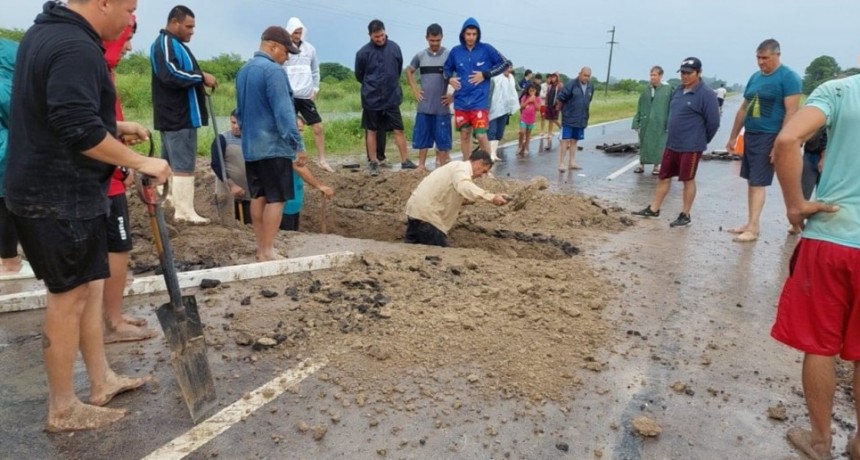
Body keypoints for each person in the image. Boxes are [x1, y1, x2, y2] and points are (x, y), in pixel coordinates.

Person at [6, 0, 170, 432]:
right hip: (57, 194)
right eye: (128, 9)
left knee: (91, 287)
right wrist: (141, 161)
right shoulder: (75, 46)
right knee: (69, 297)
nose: (129, 21)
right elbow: (75, 127)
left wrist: (113, 128)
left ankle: (101, 380)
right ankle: (63, 407)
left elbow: (54, 112)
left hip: (62, 189)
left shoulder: (45, 33)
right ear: (103, 2)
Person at [769, 74, 859, 460]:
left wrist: (795, 204)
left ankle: (820, 442)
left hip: (833, 235)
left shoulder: (841, 90)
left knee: (820, 344)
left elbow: (787, 140)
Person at [102, 15, 157, 343]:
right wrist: (130, 162)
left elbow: (102, 122)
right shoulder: (93, 66)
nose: (130, 46)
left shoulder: (105, 71)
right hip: (105, 178)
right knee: (117, 248)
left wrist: (121, 134)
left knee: (116, 248)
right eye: (126, 38)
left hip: (110, 172)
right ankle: (112, 323)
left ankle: (114, 315)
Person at [236, 26, 306, 261]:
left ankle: (260, 248)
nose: (286, 58)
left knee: (259, 197)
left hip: (251, 146)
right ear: (274, 47)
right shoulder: (273, 71)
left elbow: (239, 112)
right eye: (286, 52)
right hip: (273, 146)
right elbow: (284, 113)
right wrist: (297, 144)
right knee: (277, 198)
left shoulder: (244, 71)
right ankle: (267, 250)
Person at [726, 38, 802, 243]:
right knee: (751, 180)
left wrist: (779, 144)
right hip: (751, 134)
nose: (761, 62)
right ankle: (751, 222)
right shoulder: (755, 77)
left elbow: (791, 112)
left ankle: (753, 228)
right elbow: (744, 108)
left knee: (759, 182)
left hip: (769, 136)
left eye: (765, 58)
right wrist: (733, 136)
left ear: (777, 55)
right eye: (758, 58)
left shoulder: (789, 78)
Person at [631, 57, 720, 228]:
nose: (685, 76)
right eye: (683, 73)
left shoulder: (706, 94)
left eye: (689, 73)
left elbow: (713, 123)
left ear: (699, 73)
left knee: (688, 179)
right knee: (664, 176)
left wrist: (701, 139)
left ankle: (685, 214)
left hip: (691, 146)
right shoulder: (678, 90)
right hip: (672, 143)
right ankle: (654, 209)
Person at [150, 5, 217, 224]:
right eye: (188, 26)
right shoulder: (165, 43)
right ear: (174, 22)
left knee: (170, 163)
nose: (192, 31)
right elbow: (170, 74)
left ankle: (170, 204)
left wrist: (198, 76)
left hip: (176, 116)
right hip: (178, 116)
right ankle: (185, 211)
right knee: (183, 165)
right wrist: (201, 77)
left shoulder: (174, 44)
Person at [404, 150, 508, 247]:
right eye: (484, 171)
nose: (482, 175)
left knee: (412, 250)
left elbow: (450, 195)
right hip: (428, 218)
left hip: (416, 213)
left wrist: (487, 198)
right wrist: (491, 197)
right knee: (442, 254)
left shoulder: (454, 168)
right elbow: (465, 186)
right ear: (479, 162)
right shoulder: (461, 168)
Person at [355, 19, 416, 176]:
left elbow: (398, 69)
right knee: (372, 130)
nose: (380, 39)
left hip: (391, 97)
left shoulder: (395, 48)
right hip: (371, 98)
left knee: (399, 129)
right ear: (370, 35)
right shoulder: (362, 53)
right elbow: (360, 76)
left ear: (384, 31)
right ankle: (373, 162)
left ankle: (405, 161)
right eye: (376, 37)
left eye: (382, 35)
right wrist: (372, 85)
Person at [443, 17, 508, 158]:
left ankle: (487, 165)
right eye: (468, 34)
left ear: (478, 35)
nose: (471, 37)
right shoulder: (455, 51)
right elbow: (446, 69)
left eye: (474, 34)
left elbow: (505, 63)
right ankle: (467, 165)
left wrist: (485, 74)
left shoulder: (486, 49)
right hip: (461, 101)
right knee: (465, 134)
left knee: (480, 135)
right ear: (463, 34)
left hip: (479, 101)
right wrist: (449, 79)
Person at [283, 17, 333, 173]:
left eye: (300, 32)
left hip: (306, 96)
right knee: (291, 128)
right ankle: (291, 159)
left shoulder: (310, 49)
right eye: (295, 32)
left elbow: (315, 71)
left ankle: (322, 160)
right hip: (289, 95)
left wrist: (315, 89)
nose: (298, 36)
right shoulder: (284, 49)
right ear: (289, 32)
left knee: (318, 126)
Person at [406, 23, 452, 172]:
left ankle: (443, 168)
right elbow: (409, 71)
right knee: (423, 138)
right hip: (424, 106)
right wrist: (415, 90)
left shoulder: (448, 55)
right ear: (427, 38)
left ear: (442, 38)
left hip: (442, 107)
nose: (435, 43)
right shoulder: (420, 56)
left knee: (443, 141)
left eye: (438, 40)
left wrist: (452, 97)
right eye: (432, 40)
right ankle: (421, 165)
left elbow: (460, 77)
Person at [0, 38, 26, 277]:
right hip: (5, 152)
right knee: (6, 207)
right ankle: (9, 262)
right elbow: (17, 118)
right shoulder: (6, 87)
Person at [210, 109, 252, 225]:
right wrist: (232, 185)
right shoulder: (222, 139)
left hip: (248, 194)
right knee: (228, 226)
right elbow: (216, 164)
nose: (236, 126)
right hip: (228, 193)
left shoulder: (252, 140)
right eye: (233, 122)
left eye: (239, 123)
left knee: (249, 227)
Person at [631, 66, 673, 175]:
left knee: (659, 144)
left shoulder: (667, 89)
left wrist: (670, 122)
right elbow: (640, 105)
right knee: (643, 143)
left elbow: (671, 107)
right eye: (651, 75)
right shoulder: (646, 89)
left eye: (654, 75)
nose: (652, 77)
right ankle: (641, 165)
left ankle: (656, 166)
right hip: (646, 121)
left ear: (660, 76)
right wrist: (636, 121)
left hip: (660, 121)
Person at [556, 66, 594, 171]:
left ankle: (572, 162)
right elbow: (561, 98)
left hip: (581, 118)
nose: (586, 78)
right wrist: (562, 111)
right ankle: (561, 163)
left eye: (588, 76)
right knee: (565, 140)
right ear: (580, 74)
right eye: (584, 75)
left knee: (574, 140)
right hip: (569, 117)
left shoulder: (590, 86)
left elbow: (588, 100)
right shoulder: (571, 84)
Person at [280, 163, 335, 231]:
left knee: (293, 231)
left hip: (294, 203)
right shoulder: (291, 157)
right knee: (287, 232)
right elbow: (298, 166)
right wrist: (319, 186)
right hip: (286, 203)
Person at [487, 62, 519, 162]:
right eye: (505, 67)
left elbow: (514, 92)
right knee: (492, 131)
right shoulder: (494, 78)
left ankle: (494, 153)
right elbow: (489, 93)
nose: (507, 70)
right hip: (493, 108)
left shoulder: (512, 79)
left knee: (499, 133)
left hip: (504, 110)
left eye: (509, 67)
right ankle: (490, 154)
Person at [541, 72, 563, 152]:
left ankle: (562, 128)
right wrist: (546, 104)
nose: (553, 79)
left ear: (557, 78)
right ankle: (549, 133)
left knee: (554, 119)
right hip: (549, 104)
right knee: (550, 119)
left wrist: (558, 104)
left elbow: (561, 95)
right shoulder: (550, 86)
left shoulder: (560, 85)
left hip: (555, 105)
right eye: (552, 77)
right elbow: (547, 95)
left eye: (554, 77)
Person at [517, 84, 541, 156]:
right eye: (530, 91)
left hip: (531, 120)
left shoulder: (537, 98)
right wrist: (528, 101)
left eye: (533, 91)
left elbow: (538, 108)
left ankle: (526, 147)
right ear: (528, 91)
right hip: (524, 118)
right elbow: (522, 107)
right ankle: (520, 145)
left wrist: (534, 101)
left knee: (528, 134)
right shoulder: (525, 97)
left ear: (535, 91)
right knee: (522, 132)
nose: (532, 92)